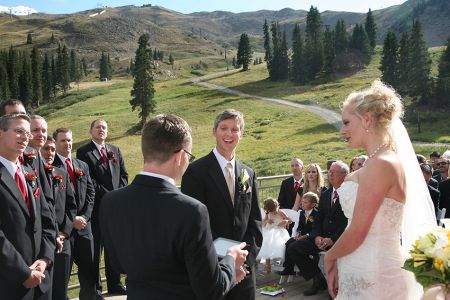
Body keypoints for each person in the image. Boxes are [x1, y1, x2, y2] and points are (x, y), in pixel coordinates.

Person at [99, 114, 248, 299]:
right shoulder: (192, 211)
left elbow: (117, 265)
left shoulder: (110, 202)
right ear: (179, 156)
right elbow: (211, 289)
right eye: (189, 156)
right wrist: (231, 262)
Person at [324, 81, 436, 299]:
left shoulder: (382, 163)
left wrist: (329, 257)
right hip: (361, 268)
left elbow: (358, 231)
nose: (342, 131)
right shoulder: (379, 161)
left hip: (374, 274)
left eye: (347, 122)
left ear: (367, 119)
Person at [181, 109, 262, 300]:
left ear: (241, 134)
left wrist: (244, 261)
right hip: (212, 272)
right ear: (214, 131)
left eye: (235, 129)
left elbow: (255, 223)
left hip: (245, 272)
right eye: (224, 128)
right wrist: (226, 261)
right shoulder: (195, 172)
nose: (229, 134)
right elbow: (195, 226)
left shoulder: (248, 174)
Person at [0, 113, 56, 299]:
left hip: (40, 279)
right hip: (9, 282)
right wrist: (23, 272)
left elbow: (47, 219)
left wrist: (44, 259)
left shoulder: (29, 173)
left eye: (26, 132)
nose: (25, 137)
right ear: (1, 133)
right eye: (18, 131)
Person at [76, 119, 128, 296]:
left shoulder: (115, 150)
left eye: (104, 127)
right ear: (91, 131)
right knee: (95, 249)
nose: (101, 130)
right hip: (96, 208)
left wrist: (119, 194)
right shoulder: (84, 152)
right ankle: (96, 288)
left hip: (115, 209)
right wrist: (109, 194)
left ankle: (115, 284)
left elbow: (124, 175)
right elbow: (88, 180)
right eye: (98, 127)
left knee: (113, 247)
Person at [285, 161, 348, 296]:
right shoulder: (326, 195)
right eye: (330, 171)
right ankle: (317, 278)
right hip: (320, 237)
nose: (331, 174)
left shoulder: (349, 194)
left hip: (339, 239)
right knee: (293, 248)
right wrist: (316, 236)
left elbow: (347, 222)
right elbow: (318, 220)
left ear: (345, 175)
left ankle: (332, 286)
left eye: (334, 172)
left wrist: (332, 239)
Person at [52, 128, 98, 300]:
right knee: (61, 277)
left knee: (89, 274)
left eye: (69, 140)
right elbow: (53, 202)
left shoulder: (82, 165)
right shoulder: (50, 167)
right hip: (64, 231)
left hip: (85, 229)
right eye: (63, 140)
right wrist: (72, 221)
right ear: (55, 143)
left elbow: (91, 194)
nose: (67, 144)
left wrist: (84, 217)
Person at [41, 136, 78, 300]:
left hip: (64, 241)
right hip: (44, 241)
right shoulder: (33, 174)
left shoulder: (61, 173)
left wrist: (64, 233)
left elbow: (71, 205)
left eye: (53, 149)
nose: (50, 153)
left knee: (61, 289)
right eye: (46, 149)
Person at [277, 192, 319, 277]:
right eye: (302, 202)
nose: (302, 204)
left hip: (310, 237)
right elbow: (300, 226)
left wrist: (305, 236)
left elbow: (315, 229)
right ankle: (289, 267)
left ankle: (302, 268)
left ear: (313, 204)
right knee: (288, 242)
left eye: (305, 202)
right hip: (302, 236)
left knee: (294, 246)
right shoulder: (301, 213)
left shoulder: (316, 214)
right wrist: (298, 233)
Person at [257, 198, 291, 275]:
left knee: (273, 241)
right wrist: (267, 221)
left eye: (274, 210)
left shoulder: (280, 212)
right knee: (266, 244)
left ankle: (280, 264)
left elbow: (289, 220)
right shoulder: (268, 213)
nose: (273, 212)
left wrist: (285, 221)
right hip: (269, 230)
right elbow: (262, 222)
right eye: (271, 211)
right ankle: (267, 264)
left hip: (279, 231)